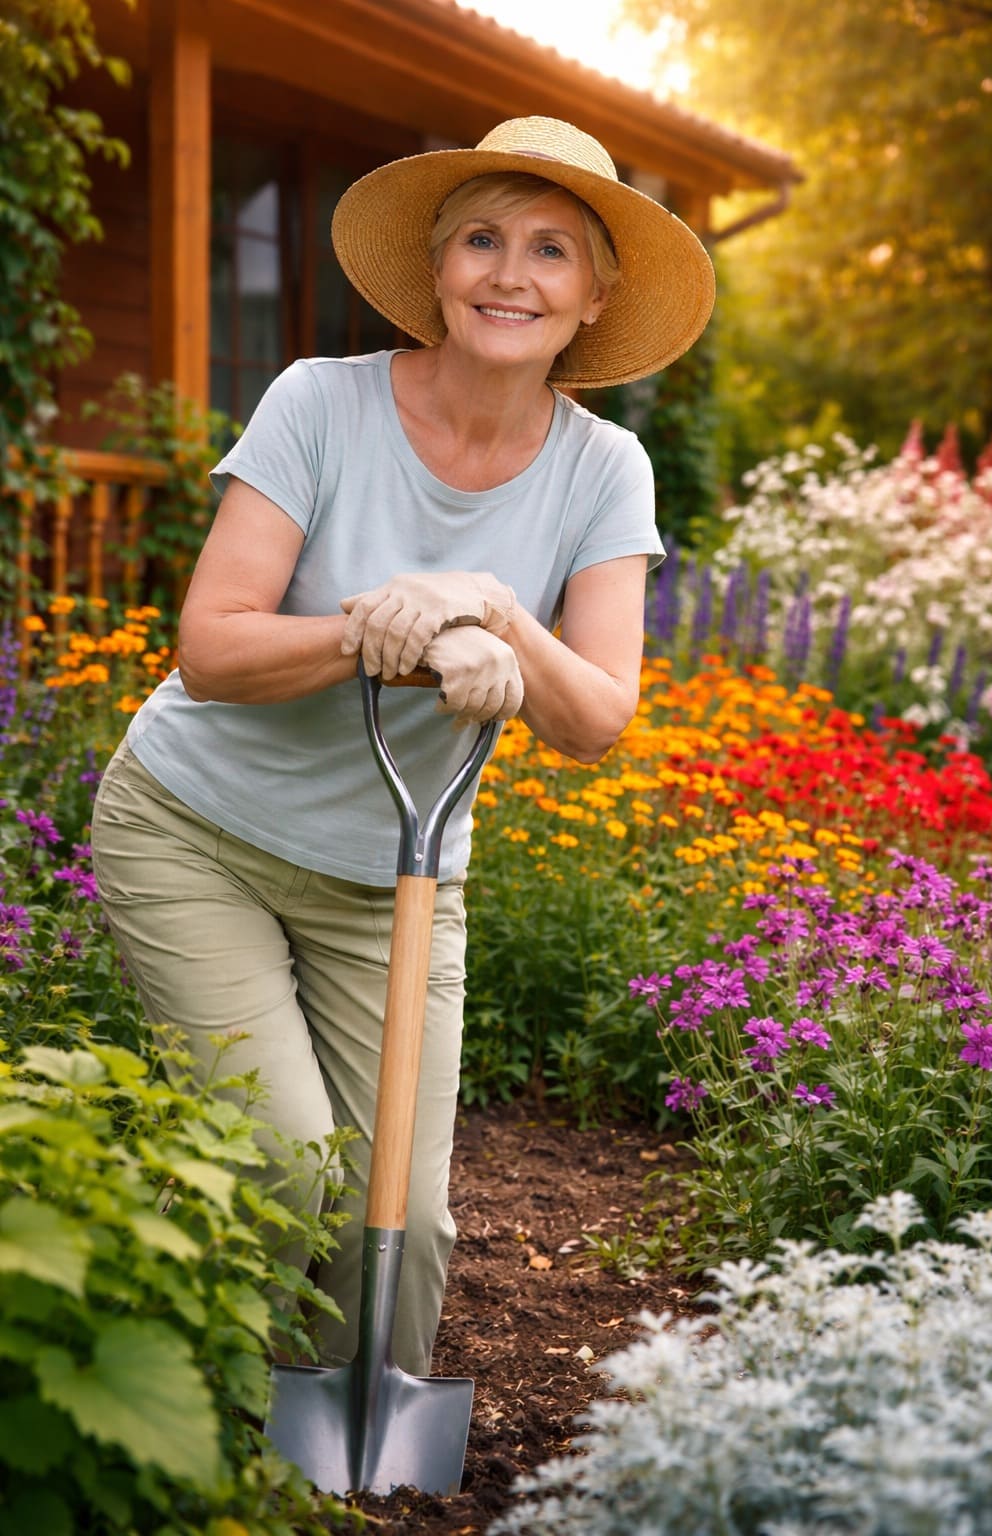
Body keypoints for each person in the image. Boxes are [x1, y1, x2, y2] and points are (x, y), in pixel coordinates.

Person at [90, 116, 715, 1376]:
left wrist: (485, 607)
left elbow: (593, 717)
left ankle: (341, 1476)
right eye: (480, 239)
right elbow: (209, 647)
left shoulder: (606, 468)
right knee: (274, 1158)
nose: (508, 273)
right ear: (434, 270)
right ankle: (206, 1444)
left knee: (400, 1223)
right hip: (194, 831)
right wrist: (387, 631)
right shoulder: (318, 402)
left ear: (592, 298)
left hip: (394, 881)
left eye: (550, 250)